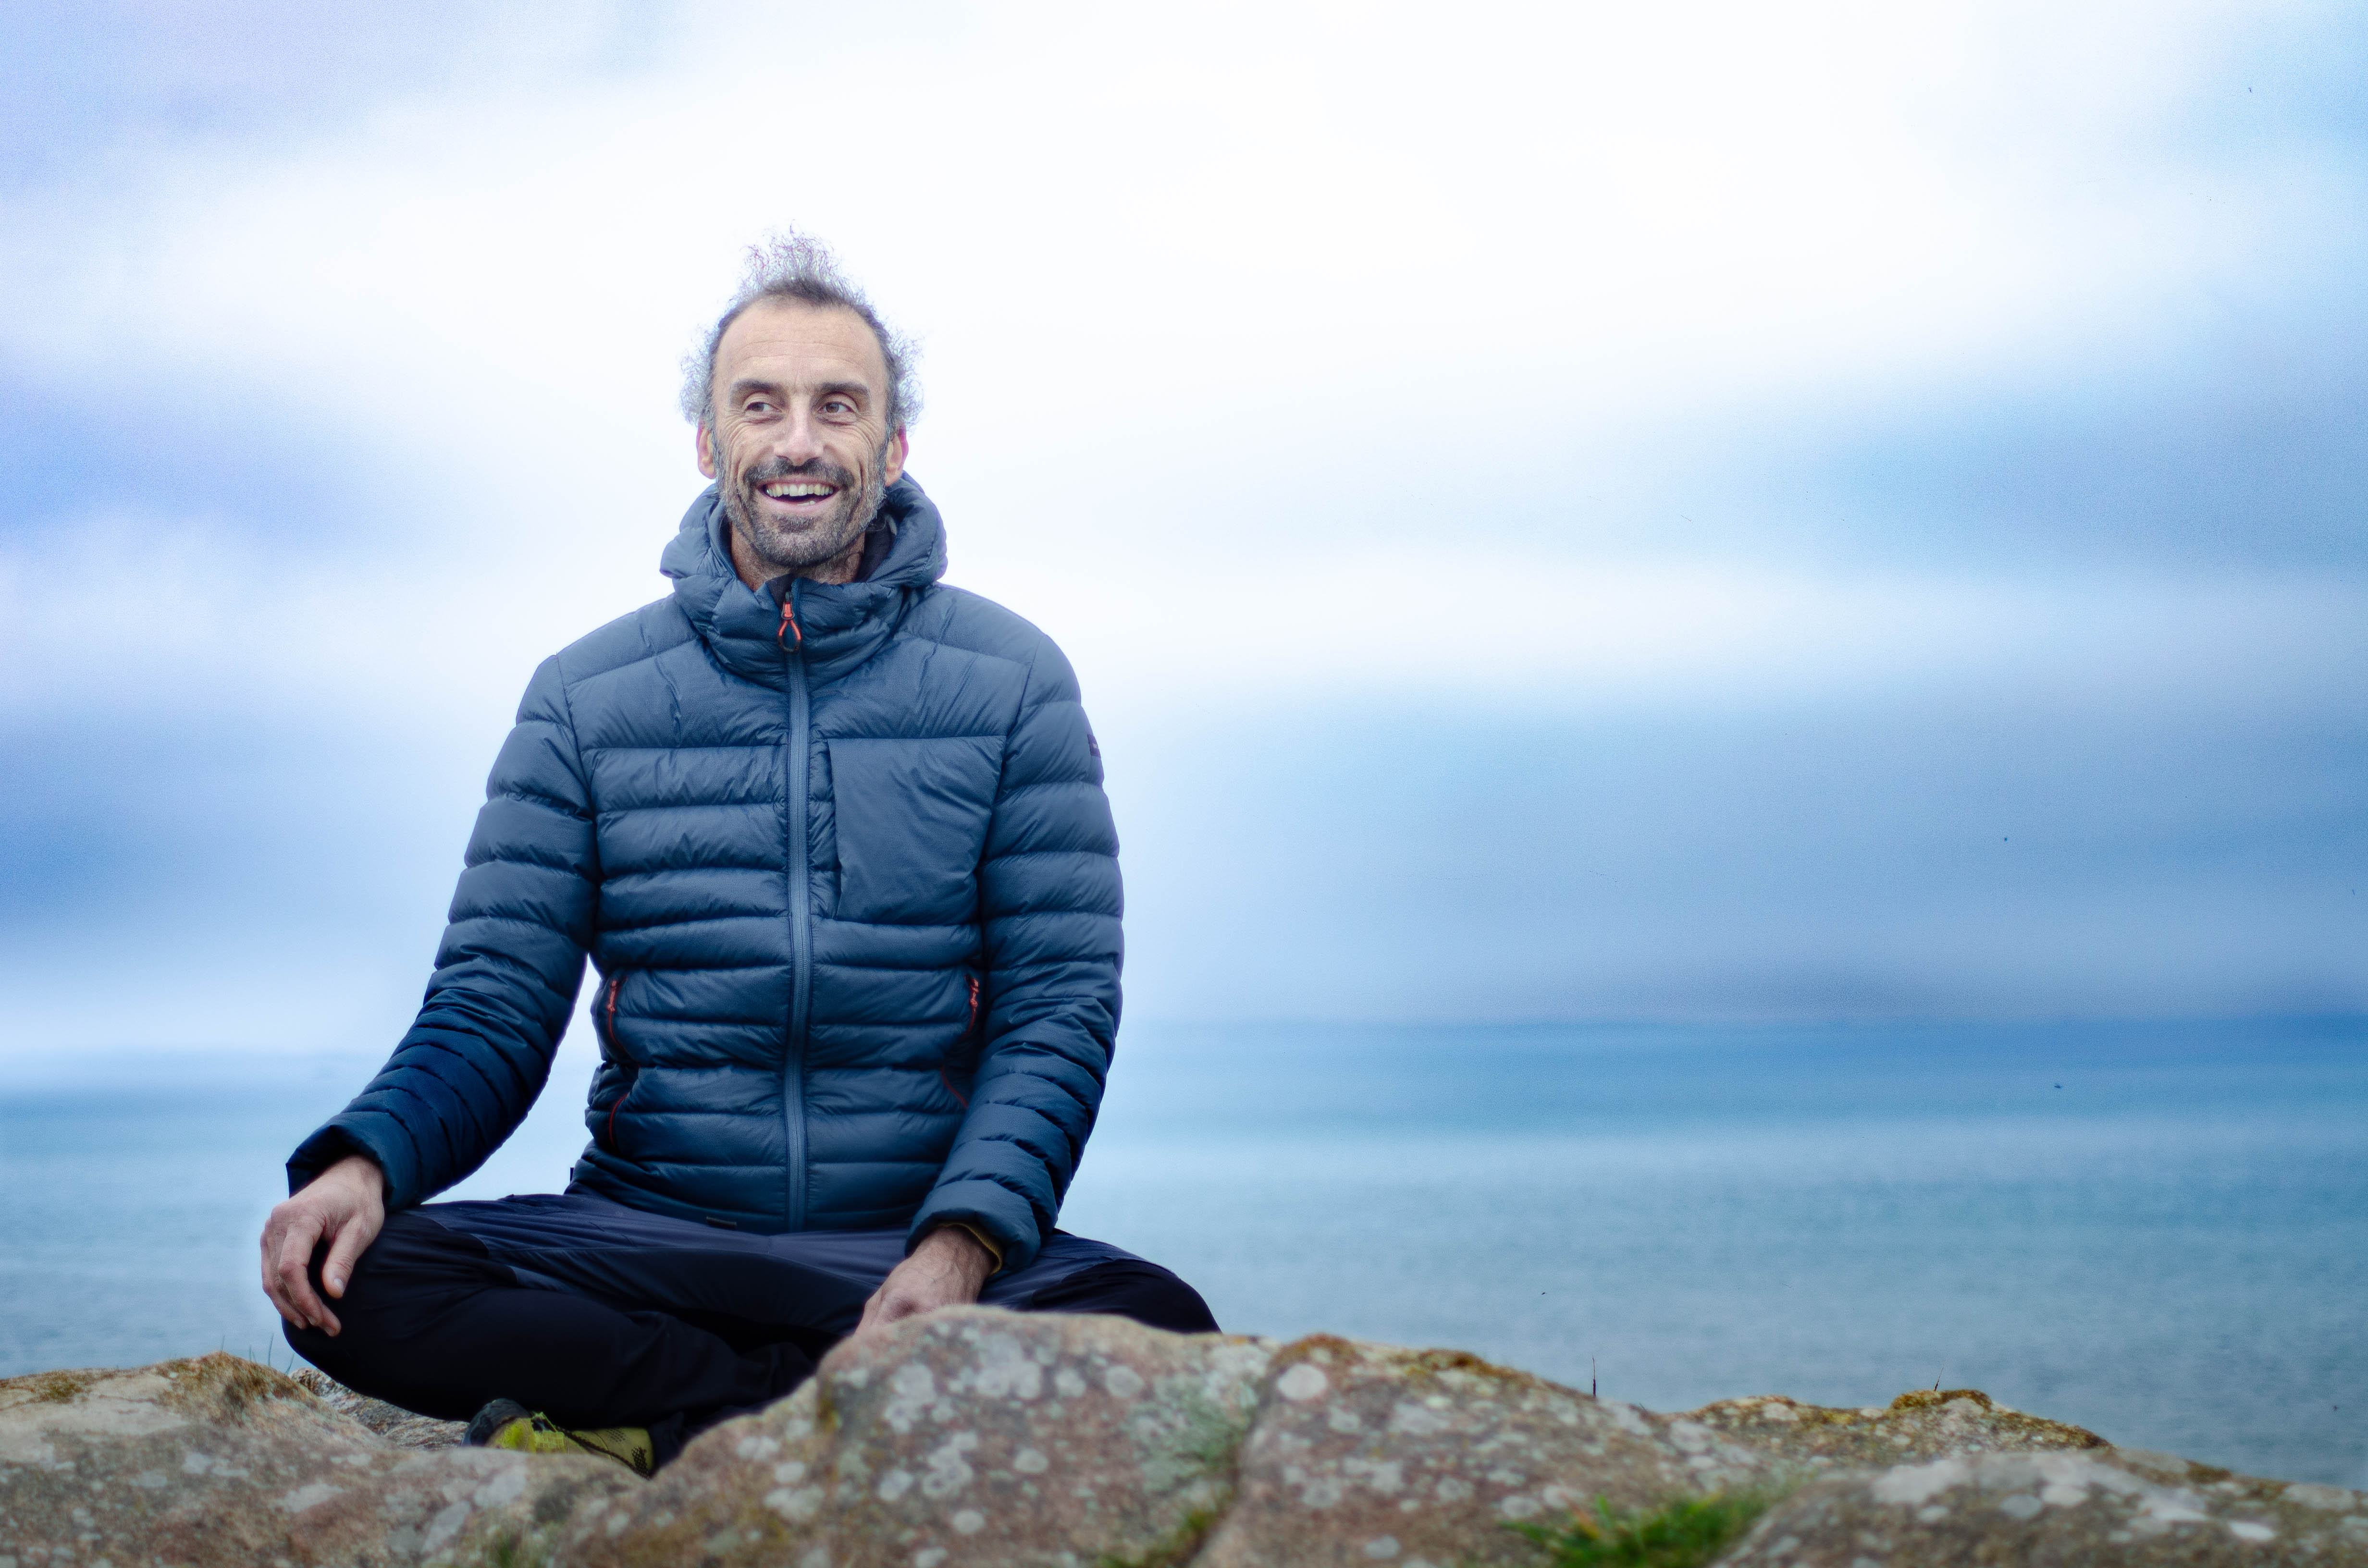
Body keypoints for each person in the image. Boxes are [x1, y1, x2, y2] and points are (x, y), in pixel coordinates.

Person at [259, 236, 1214, 1473]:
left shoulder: (1014, 682)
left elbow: (1057, 1008)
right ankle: (802, 1416)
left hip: (903, 1242)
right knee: (366, 1277)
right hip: (644, 1236)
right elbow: (494, 1002)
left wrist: (960, 1247)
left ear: (895, 444)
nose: (799, 441)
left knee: (1162, 1327)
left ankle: (686, 1422)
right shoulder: (586, 699)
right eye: (759, 406)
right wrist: (363, 1160)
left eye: (839, 406)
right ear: (710, 447)